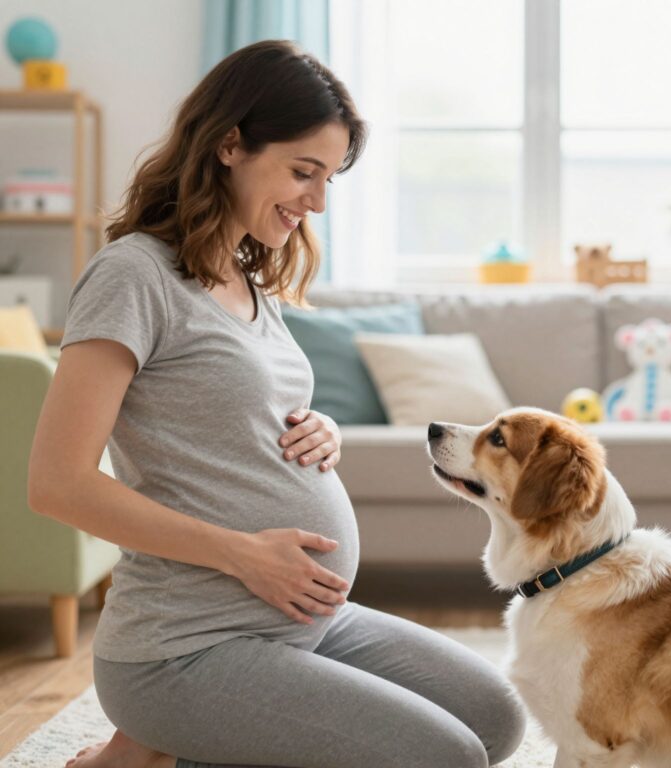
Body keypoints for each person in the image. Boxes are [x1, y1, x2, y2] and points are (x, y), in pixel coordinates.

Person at [27, 39, 525, 768]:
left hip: (305, 621)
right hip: (187, 644)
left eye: (328, 178)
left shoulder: (246, 278)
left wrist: (318, 430)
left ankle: (161, 752)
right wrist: (243, 556)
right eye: (302, 172)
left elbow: (225, 411)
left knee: (497, 721)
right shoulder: (132, 275)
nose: (317, 201)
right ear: (230, 143)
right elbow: (55, 484)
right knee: (447, 758)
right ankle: (160, 733)